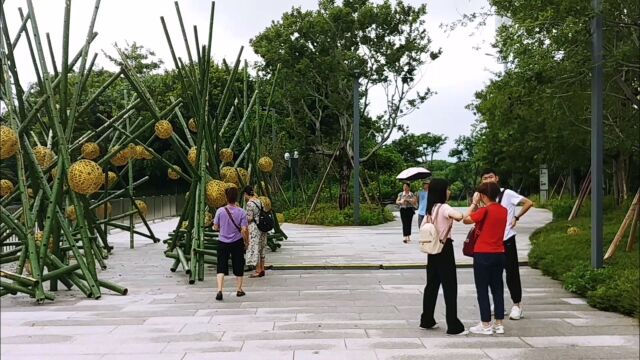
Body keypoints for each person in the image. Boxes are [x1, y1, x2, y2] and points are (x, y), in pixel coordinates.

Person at [472, 169, 534, 320]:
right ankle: (499, 305)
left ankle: (517, 305)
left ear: (497, 178)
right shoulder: (482, 197)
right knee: (494, 276)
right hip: (491, 243)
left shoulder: (507, 193)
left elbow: (528, 202)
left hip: (506, 239)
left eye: (490, 177)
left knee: (512, 272)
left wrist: (516, 217)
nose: (488, 180)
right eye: (485, 178)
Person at [419, 179, 467, 335]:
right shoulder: (444, 207)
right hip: (445, 249)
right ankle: (453, 324)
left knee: (431, 285)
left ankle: (426, 319)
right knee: (450, 287)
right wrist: (472, 205)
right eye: (447, 189)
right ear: (441, 191)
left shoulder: (430, 209)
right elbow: (459, 216)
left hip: (432, 250)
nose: (449, 191)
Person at [463, 181, 508, 335]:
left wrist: (474, 204)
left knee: (482, 289)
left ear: (482, 195)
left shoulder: (484, 210)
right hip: (499, 253)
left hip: (483, 253)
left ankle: (486, 324)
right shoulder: (504, 210)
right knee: (498, 289)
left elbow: (466, 219)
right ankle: (499, 324)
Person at [213, 186, 249, 301]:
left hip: (222, 241)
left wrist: (220, 228)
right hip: (237, 242)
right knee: (238, 264)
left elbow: (215, 226)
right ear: (236, 197)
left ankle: (219, 290)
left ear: (226, 197)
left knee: (221, 266)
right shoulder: (242, 212)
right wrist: (246, 241)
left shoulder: (220, 211)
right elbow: (244, 230)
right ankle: (239, 290)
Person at [243, 185, 267, 278]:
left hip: (254, 228)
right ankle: (262, 268)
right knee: (262, 247)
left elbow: (250, 218)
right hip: (262, 227)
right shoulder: (259, 201)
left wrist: (243, 218)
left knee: (255, 247)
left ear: (246, 194)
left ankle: (257, 270)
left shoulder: (249, 203)